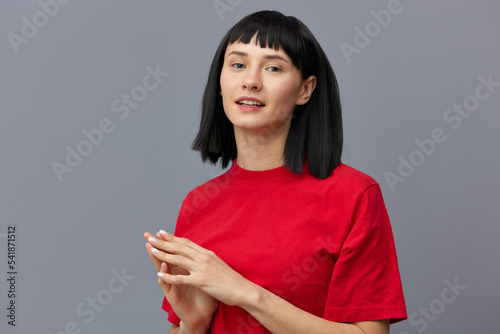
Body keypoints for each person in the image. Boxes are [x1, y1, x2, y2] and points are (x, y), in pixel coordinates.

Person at [144, 10, 407, 334]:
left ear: (305, 90)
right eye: (238, 64)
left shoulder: (353, 196)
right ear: (220, 85)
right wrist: (193, 324)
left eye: (272, 68)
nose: (251, 81)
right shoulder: (198, 204)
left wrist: (246, 294)